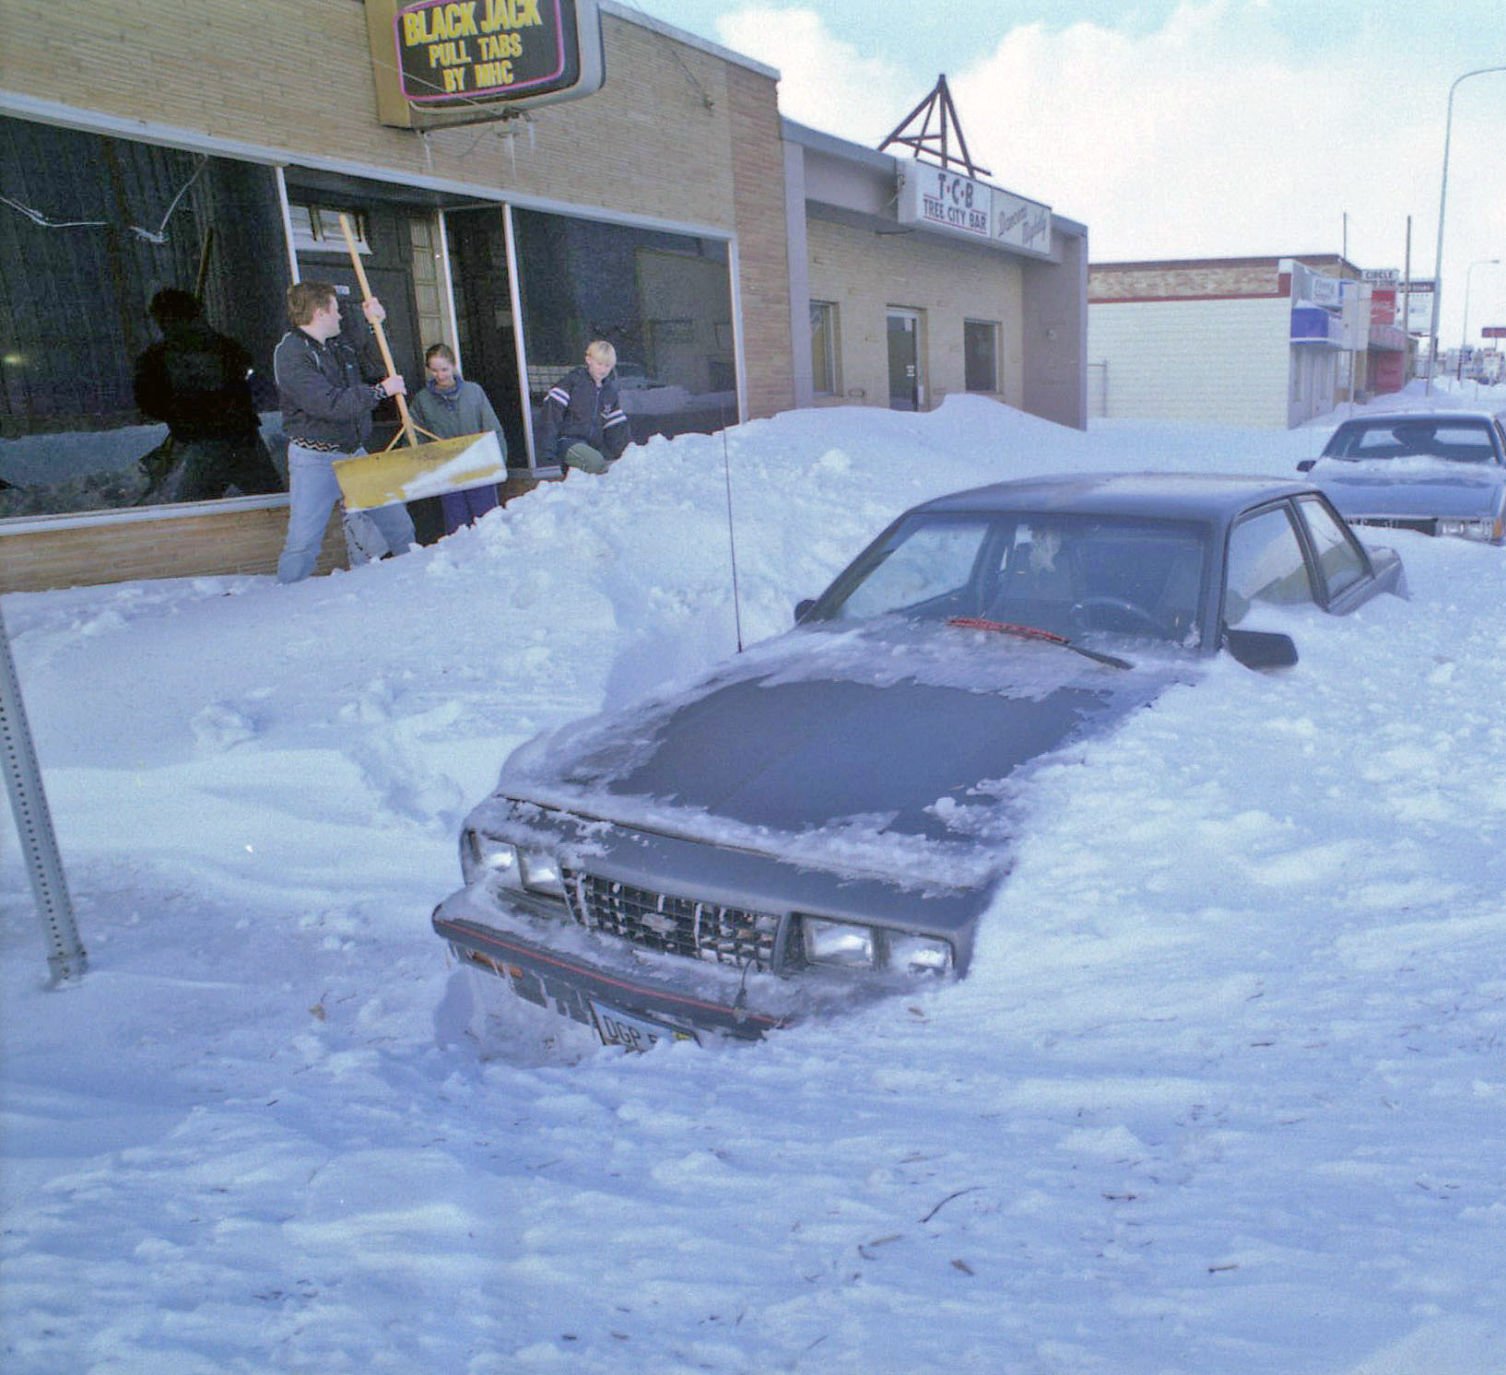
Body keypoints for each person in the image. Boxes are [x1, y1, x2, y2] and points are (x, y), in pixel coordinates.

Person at [272, 280, 415, 584]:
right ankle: (284, 605)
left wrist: (377, 324)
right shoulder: (292, 354)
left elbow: (377, 360)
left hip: (355, 453)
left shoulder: (338, 344)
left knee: (399, 527)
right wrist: (379, 392)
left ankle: (416, 586)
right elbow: (328, 404)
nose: (340, 316)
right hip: (315, 460)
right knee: (303, 544)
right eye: (336, 309)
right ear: (320, 312)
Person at [132, 288, 283, 505]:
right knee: (275, 503)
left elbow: (148, 402)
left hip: (208, 444)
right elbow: (249, 378)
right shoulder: (225, 347)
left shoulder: (158, 359)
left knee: (191, 512)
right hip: (243, 438)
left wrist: (181, 415)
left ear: (165, 318)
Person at [407, 343, 505, 534]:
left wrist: (498, 463)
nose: (440, 375)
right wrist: (425, 463)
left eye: (444, 369)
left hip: (479, 466)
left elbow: (492, 428)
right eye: (434, 370)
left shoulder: (473, 392)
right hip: (447, 470)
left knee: (488, 522)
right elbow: (414, 435)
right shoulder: (422, 399)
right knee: (457, 526)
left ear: (453, 365)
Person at [536, 340, 632, 474]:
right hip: (567, 442)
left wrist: (630, 455)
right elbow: (551, 415)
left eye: (607, 365)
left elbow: (616, 428)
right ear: (588, 360)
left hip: (591, 446)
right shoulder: (573, 382)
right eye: (599, 364)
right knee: (596, 463)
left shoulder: (609, 392)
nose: (603, 369)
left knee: (603, 468)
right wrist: (547, 450)